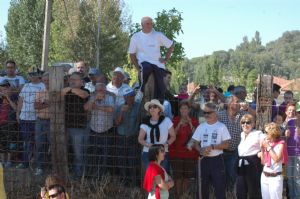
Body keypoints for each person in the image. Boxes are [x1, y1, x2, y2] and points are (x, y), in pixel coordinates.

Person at [189, 102, 231, 199]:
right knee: (202, 187)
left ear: (215, 113)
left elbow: (226, 144)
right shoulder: (201, 126)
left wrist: (212, 147)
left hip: (217, 160)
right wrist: (200, 150)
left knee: (219, 186)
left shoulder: (221, 126)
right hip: (203, 160)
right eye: (205, 113)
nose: (206, 115)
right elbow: (195, 142)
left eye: (209, 112)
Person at [128, 16, 174, 101]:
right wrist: (137, 68)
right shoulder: (136, 37)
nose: (150, 25)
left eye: (151, 23)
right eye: (147, 23)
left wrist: (166, 58)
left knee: (161, 88)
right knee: (146, 68)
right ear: (142, 25)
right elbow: (132, 54)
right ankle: (141, 90)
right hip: (144, 62)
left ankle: (161, 104)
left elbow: (171, 45)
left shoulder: (158, 35)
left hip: (158, 64)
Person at [62, 72, 89, 177]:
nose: (72, 81)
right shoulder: (65, 90)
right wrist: (69, 89)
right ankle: (66, 173)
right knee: (64, 151)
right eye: (71, 79)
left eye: (75, 79)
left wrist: (70, 89)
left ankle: (79, 175)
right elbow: (58, 94)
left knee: (79, 153)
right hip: (63, 126)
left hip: (78, 127)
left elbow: (84, 95)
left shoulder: (85, 90)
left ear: (82, 82)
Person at [16, 68, 45, 169]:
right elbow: (20, 100)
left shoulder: (43, 86)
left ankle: (38, 165)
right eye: (30, 74)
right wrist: (17, 113)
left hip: (37, 118)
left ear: (38, 75)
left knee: (38, 143)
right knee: (26, 142)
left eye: (34, 74)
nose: (32, 76)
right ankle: (25, 163)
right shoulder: (26, 86)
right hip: (24, 117)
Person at [169, 100, 199, 196]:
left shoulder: (194, 121)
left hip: (190, 154)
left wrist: (190, 123)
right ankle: (178, 195)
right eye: (182, 108)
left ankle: (184, 196)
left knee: (186, 178)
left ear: (189, 110)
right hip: (176, 154)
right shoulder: (175, 120)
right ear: (180, 110)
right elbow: (172, 135)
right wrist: (179, 125)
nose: (184, 110)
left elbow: (196, 136)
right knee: (178, 177)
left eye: (185, 108)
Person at [84, 83, 114, 177]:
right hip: (93, 130)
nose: (99, 92)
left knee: (105, 155)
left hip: (106, 131)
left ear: (105, 90)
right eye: (97, 90)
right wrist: (94, 99)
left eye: (101, 90)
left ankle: (103, 176)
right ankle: (91, 175)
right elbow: (86, 108)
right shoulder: (92, 98)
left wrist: (96, 107)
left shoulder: (110, 98)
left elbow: (111, 109)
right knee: (93, 154)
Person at [217, 95, 247, 192]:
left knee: (232, 174)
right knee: (220, 174)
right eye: (237, 101)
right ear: (230, 104)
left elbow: (255, 114)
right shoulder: (220, 115)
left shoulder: (242, 115)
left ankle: (231, 193)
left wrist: (247, 107)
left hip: (234, 151)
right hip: (220, 151)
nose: (239, 103)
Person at [138, 99, 176, 173]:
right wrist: (148, 144)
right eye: (150, 107)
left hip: (162, 151)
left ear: (159, 109)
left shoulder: (167, 120)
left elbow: (173, 136)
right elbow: (140, 139)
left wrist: (166, 144)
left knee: (163, 176)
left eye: (154, 107)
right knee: (151, 177)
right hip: (148, 152)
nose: (152, 109)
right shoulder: (145, 121)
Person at [236, 114, 265, 199]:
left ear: (253, 124)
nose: (245, 124)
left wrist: (261, 152)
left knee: (253, 190)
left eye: (248, 122)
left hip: (253, 163)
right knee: (240, 190)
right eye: (243, 122)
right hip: (241, 163)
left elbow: (266, 143)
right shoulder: (240, 134)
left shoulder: (258, 133)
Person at [115, 87, 140, 181]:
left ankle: (133, 181)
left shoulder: (138, 106)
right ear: (125, 97)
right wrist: (122, 112)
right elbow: (117, 123)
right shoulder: (119, 107)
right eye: (128, 97)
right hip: (121, 137)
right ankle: (123, 180)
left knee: (132, 160)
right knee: (121, 159)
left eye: (132, 96)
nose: (131, 98)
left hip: (133, 137)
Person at [259, 122, 288, 199]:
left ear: (272, 132)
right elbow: (263, 162)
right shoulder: (267, 143)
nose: (264, 134)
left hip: (275, 177)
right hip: (264, 176)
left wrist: (268, 147)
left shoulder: (281, 143)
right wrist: (262, 149)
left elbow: (276, 159)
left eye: (266, 132)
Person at [34, 73, 50, 175]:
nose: (46, 82)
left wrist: (43, 103)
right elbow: (36, 106)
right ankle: (40, 167)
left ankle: (53, 168)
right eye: (45, 81)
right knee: (39, 145)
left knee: (54, 145)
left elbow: (58, 105)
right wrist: (49, 103)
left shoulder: (56, 93)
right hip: (40, 120)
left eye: (48, 81)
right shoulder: (40, 92)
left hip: (53, 122)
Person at [283, 102, 300, 198]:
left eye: (293, 110)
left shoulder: (299, 121)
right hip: (288, 154)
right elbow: (280, 139)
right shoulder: (284, 123)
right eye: (289, 110)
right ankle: (291, 196)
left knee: (297, 178)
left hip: (298, 154)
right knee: (289, 178)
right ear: (286, 112)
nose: (291, 112)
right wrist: (285, 136)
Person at [0, 80, 17, 168]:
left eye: (5, 89)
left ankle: (9, 161)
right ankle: (2, 161)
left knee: (11, 142)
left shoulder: (14, 96)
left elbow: (16, 108)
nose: (4, 91)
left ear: (9, 89)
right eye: (2, 89)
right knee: (2, 142)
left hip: (10, 123)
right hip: (1, 123)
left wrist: (8, 97)